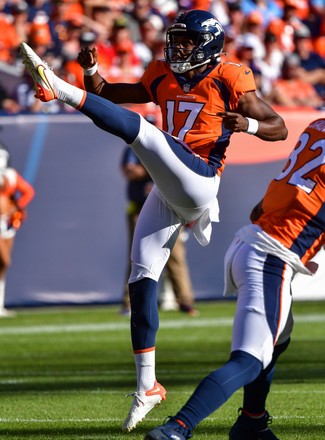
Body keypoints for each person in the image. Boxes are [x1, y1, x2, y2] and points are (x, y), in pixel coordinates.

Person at [19, 8, 288, 431]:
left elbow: (279, 127)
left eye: (185, 41)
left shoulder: (232, 75)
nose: (177, 47)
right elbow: (111, 94)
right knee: (142, 277)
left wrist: (250, 124)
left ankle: (60, 90)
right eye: (175, 39)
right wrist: (91, 73)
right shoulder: (161, 71)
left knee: (146, 132)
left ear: (209, 44)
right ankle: (148, 386)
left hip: (200, 177)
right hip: (167, 184)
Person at [144, 117, 325, 440]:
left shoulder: (318, 126)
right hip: (271, 258)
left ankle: (252, 422)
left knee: (278, 339)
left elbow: (260, 210)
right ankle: (178, 427)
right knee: (250, 358)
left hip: (253, 243)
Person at [120, 115, 197, 317]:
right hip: (140, 207)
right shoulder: (133, 147)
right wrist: (154, 168)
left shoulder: (166, 144)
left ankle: (185, 301)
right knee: (137, 256)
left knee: (176, 256)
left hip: (168, 207)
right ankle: (130, 302)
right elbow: (130, 171)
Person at [0, 144, 35, 317]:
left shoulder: (11, 176)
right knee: (4, 261)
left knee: (2, 266)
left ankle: (0, 305)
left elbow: (28, 191)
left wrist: (17, 206)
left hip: (6, 223)